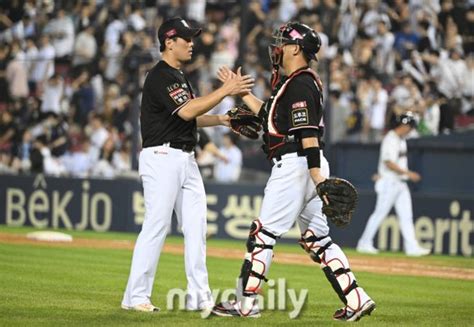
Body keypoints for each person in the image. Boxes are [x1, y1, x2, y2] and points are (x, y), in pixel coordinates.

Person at [212, 22, 375, 321]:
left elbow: (307, 133)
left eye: (283, 43)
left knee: (263, 234)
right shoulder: (297, 82)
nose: (278, 48)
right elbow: (268, 114)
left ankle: (246, 303)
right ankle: (357, 299)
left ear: (296, 48)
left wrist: (316, 176)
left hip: (298, 164)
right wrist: (240, 92)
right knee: (317, 239)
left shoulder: (300, 83)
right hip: (306, 163)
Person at [121, 17, 254, 313]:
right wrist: (225, 91)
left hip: (185, 158)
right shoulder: (160, 76)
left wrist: (222, 119)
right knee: (156, 226)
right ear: (169, 42)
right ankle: (135, 296)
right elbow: (187, 111)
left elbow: (190, 115)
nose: (192, 43)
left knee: (196, 228)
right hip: (162, 157)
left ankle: (200, 296)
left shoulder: (179, 76)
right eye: (186, 38)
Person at [357, 112, 430, 257]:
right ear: (403, 125)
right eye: (409, 126)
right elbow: (389, 163)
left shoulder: (401, 140)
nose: (410, 129)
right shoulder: (390, 138)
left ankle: (411, 247)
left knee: (406, 216)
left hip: (400, 183)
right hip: (390, 182)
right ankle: (364, 243)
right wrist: (409, 173)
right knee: (379, 214)